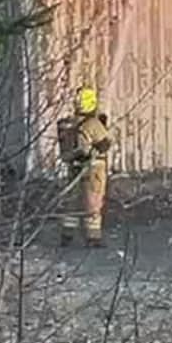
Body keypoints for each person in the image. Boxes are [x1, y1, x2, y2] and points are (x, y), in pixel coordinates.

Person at [56, 86, 112, 247]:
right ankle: (93, 237)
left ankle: (67, 234)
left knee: (72, 200)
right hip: (94, 168)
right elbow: (105, 143)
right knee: (93, 200)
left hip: (74, 166)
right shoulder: (93, 123)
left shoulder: (71, 124)